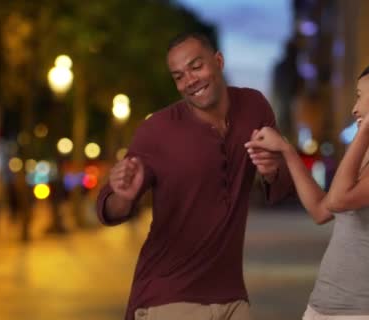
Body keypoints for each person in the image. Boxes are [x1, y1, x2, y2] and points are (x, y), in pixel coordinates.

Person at [96, 32, 293, 320]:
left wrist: (273, 170)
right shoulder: (157, 130)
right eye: (178, 76)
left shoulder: (255, 107)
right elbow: (110, 208)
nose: (189, 80)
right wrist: (123, 198)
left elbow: (280, 189)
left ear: (218, 61)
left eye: (196, 66)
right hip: (168, 298)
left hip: (232, 298)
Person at [245, 57, 369, 320]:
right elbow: (321, 211)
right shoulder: (368, 149)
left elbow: (338, 200)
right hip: (320, 307)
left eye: (360, 96)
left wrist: (366, 131)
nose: (355, 109)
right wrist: (288, 151)